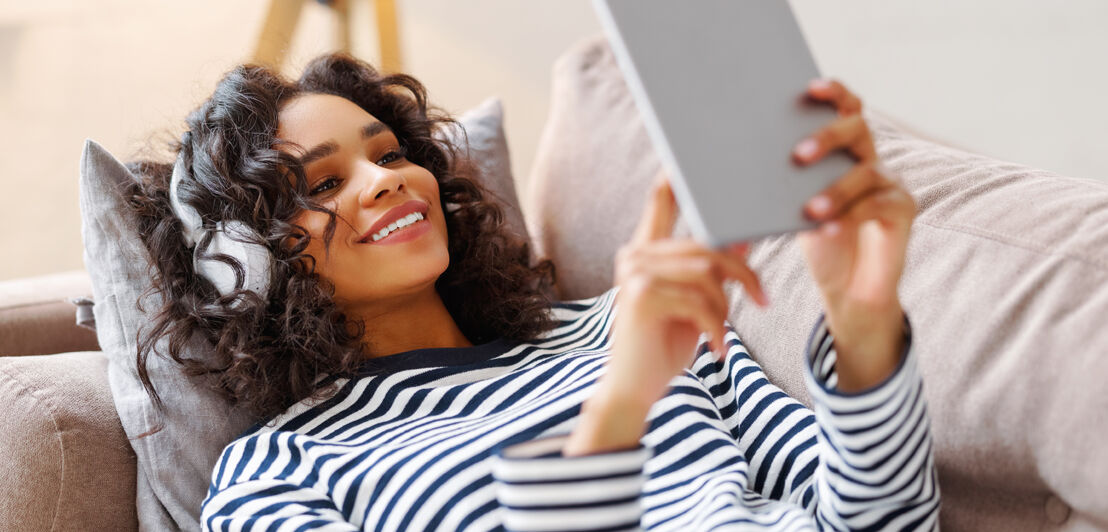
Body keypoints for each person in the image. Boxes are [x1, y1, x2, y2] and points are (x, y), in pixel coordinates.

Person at [128, 52, 938, 531]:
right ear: (247, 264)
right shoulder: (276, 478)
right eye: (324, 183)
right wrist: (616, 416)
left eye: (389, 154)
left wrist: (861, 319)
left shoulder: (622, 329)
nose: (386, 182)